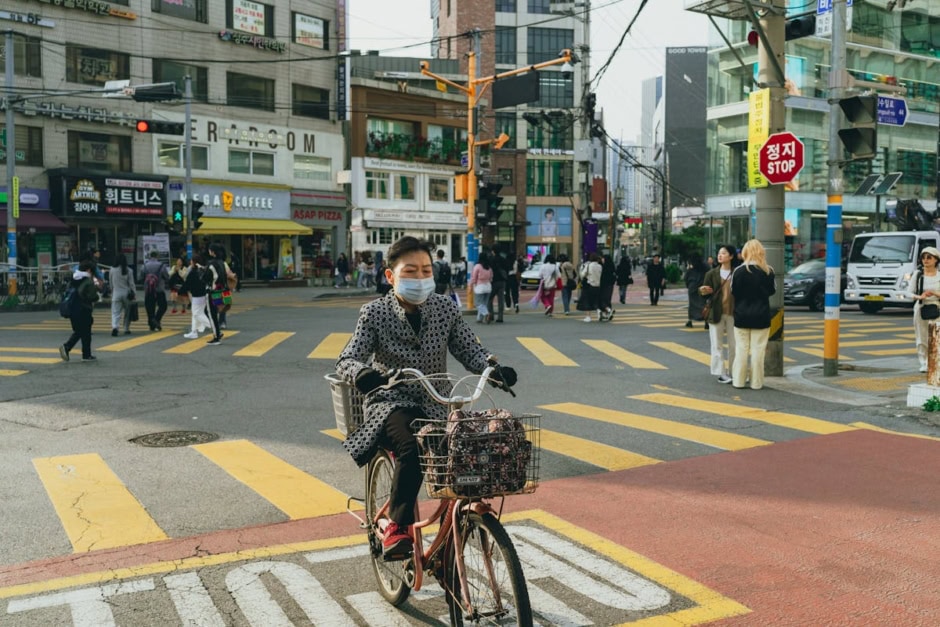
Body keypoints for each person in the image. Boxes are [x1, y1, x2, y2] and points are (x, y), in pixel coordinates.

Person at [335, 236, 517, 560]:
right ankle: (398, 526)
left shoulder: (445, 307)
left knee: (472, 449)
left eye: (425, 270)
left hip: (438, 401)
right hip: (390, 402)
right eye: (410, 271)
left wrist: (494, 367)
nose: (419, 279)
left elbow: (468, 348)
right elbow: (348, 358)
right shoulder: (374, 313)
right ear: (391, 276)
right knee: (411, 446)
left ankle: (454, 533)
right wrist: (362, 374)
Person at [730, 239, 776, 390]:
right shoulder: (768, 271)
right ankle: (756, 383)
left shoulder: (738, 271)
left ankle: (738, 381)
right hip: (761, 315)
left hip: (741, 315)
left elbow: (733, 291)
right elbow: (771, 291)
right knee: (758, 350)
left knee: (741, 349)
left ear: (745, 252)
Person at [700, 245, 738, 384]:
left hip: (734, 313)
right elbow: (704, 293)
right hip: (716, 312)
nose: (720, 255)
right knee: (717, 344)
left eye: (723, 253)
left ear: (731, 256)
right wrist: (703, 290)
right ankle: (721, 373)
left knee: (734, 345)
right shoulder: (711, 274)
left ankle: (735, 372)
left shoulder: (737, 273)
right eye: (719, 253)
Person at [60, 259, 100, 362]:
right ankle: (81, 353)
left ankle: (81, 353)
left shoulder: (74, 279)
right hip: (83, 309)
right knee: (85, 332)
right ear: (88, 270)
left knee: (80, 331)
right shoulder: (88, 281)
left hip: (72, 309)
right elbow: (92, 296)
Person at [910, 246, 940, 373]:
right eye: (923, 257)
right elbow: (909, 293)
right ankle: (924, 363)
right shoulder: (917, 275)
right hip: (921, 307)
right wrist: (920, 296)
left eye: (929, 257)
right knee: (921, 337)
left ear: (936, 260)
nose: (926, 260)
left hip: (936, 307)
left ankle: (934, 362)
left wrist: (934, 293)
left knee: (935, 337)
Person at [182, 254, 213, 340]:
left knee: (196, 313)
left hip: (197, 295)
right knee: (196, 313)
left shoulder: (194, 272)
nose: (190, 262)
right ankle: (194, 332)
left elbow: (187, 283)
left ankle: (213, 327)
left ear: (194, 262)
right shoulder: (202, 270)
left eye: (191, 260)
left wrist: (181, 291)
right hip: (202, 294)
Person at [204, 244, 228, 345]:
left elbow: (205, 278)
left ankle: (216, 336)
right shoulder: (222, 262)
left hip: (212, 291)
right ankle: (218, 332)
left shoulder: (211, 263)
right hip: (221, 290)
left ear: (212, 252)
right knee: (215, 312)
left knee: (211, 313)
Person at [108, 253, 136, 337]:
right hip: (127, 294)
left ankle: (115, 327)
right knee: (127, 312)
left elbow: (111, 282)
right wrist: (134, 293)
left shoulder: (112, 269)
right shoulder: (129, 270)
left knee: (115, 312)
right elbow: (131, 284)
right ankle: (126, 328)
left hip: (116, 293)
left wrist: (112, 292)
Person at [141, 251, 170, 331]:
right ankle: (156, 319)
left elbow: (141, 276)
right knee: (163, 306)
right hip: (159, 289)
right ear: (157, 256)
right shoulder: (161, 266)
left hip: (149, 290)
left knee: (150, 307)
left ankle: (152, 323)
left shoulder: (145, 266)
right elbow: (166, 277)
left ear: (150, 256)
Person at [683, 256, 708, 328]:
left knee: (692, 305)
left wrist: (688, 286)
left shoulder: (690, 271)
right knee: (703, 304)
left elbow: (686, 279)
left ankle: (690, 320)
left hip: (692, 288)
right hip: (702, 288)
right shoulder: (705, 270)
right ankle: (706, 320)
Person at [469, 253, 493, 323]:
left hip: (479, 287)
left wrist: (470, 286)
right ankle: (479, 318)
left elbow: (473, 278)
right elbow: (491, 278)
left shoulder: (477, 266)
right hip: (488, 286)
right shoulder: (489, 267)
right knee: (484, 304)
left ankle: (486, 314)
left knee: (478, 303)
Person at [578, 253, 603, 322]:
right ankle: (598, 311)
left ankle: (588, 317)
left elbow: (582, 275)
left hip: (589, 285)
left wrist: (581, 271)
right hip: (597, 286)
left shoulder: (588, 265)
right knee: (595, 300)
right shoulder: (600, 266)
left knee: (587, 301)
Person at [488, 247, 508, 323]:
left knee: (489, 299)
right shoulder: (503, 259)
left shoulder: (491, 259)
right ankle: (500, 317)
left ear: (493, 251)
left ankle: (491, 314)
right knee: (501, 300)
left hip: (493, 281)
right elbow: (507, 269)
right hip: (502, 281)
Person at [599, 254, 617, 321]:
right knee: (608, 299)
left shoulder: (603, 267)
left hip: (604, 285)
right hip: (610, 285)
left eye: (603, 258)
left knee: (602, 299)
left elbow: (602, 277)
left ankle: (609, 311)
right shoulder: (612, 266)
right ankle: (608, 314)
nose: (602, 260)